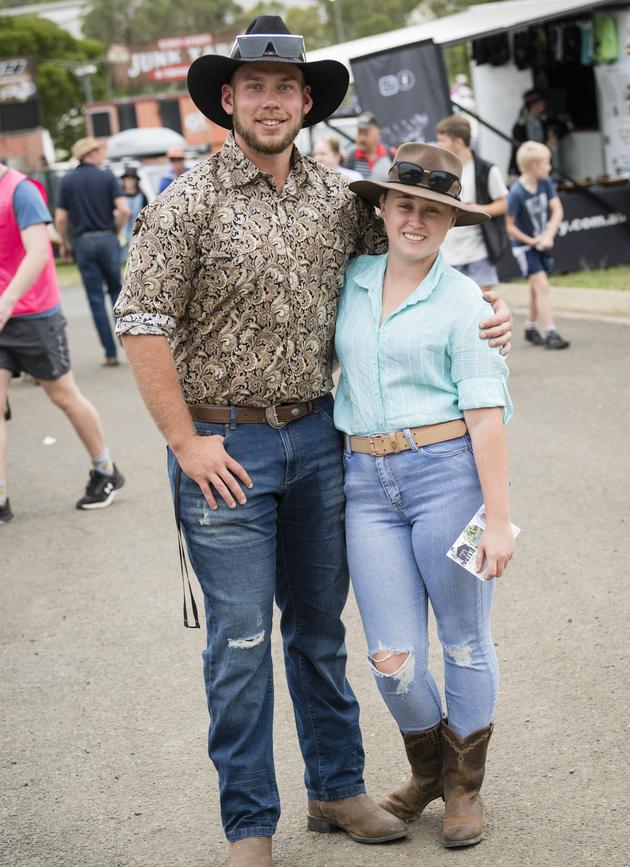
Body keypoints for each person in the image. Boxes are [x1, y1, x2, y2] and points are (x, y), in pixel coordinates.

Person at [114, 16, 513, 867]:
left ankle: (335, 786)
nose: (269, 101)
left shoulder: (339, 199)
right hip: (223, 451)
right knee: (242, 645)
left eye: (284, 88)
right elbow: (142, 325)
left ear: (305, 103)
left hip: (322, 442)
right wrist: (185, 443)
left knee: (319, 633)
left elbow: (417, 257)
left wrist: (490, 308)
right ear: (228, 99)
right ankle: (248, 828)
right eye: (252, 86)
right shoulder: (185, 202)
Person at [335, 141, 514, 849]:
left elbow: (485, 415)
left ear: (449, 221)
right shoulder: (349, 280)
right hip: (366, 485)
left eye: (433, 211)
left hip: (447, 475)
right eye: (405, 204)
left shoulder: (468, 299)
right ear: (383, 206)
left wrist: (497, 521)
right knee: (392, 655)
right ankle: (431, 768)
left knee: (466, 640)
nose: (416, 220)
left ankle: (462, 786)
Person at [0, 162, 125, 523]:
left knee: (64, 396)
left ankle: (106, 471)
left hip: (34, 315)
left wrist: (7, 302)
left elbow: (40, 251)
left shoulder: (20, 190)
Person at [54, 136, 130, 367]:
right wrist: (114, 231)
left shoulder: (66, 181)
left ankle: (109, 353)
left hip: (83, 242)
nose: (101, 154)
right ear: (90, 154)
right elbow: (124, 210)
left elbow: (60, 218)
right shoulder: (107, 177)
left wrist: (67, 243)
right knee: (118, 294)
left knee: (95, 299)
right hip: (106, 238)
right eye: (98, 150)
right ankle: (129, 348)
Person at [506, 141, 570, 349]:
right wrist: (532, 241)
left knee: (536, 290)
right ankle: (551, 332)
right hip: (525, 248)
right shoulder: (516, 193)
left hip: (542, 242)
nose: (549, 167)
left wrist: (549, 235)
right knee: (542, 286)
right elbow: (510, 226)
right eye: (546, 163)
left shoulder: (545, 183)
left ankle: (531, 328)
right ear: (534, 166)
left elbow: (557, 210)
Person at [436, 114, 509, 291]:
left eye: (443, 140)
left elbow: (503, 204)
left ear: (459, 142)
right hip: (448, 253)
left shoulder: (487, 170)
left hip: (479, 252)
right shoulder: (438, 170)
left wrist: (477, 209)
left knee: (481, 307)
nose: (439, 145)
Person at [344, 112, 394, 180]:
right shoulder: (350, 158)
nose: (361, 139)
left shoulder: (390, 155)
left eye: (366, 134)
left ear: (377, 134)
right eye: (359, 133)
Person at [119, 167, 148, 263]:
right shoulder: (119, 197)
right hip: (122, 232)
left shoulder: (142, 196)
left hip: (137, 232)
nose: (129, 182)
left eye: (132, 179)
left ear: (136, 181)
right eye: (127, 179)